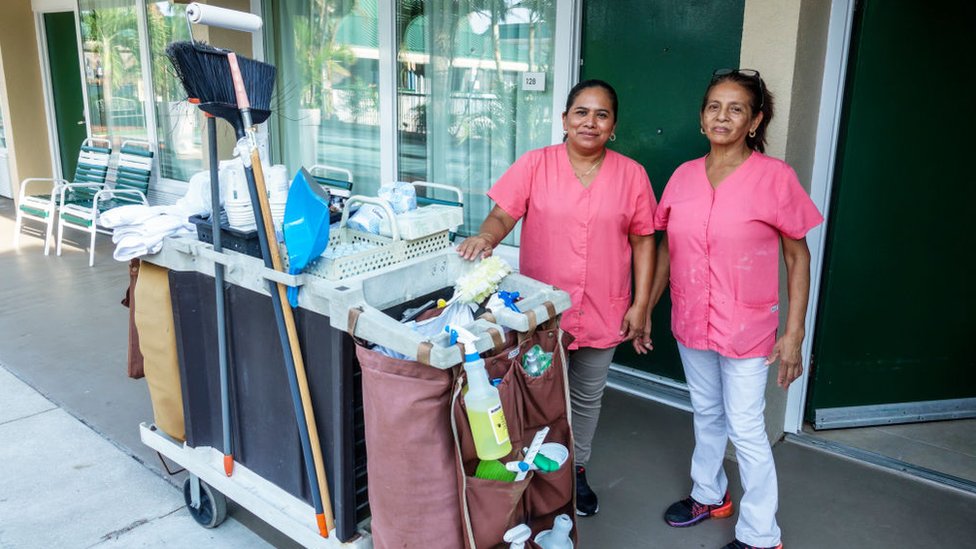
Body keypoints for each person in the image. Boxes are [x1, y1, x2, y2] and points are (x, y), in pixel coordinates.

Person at [457, 79, 657, 517]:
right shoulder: (536, 165)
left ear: (614, 126)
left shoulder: (632, 175)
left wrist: (641, 305)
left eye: (601, 115)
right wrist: (486, 238)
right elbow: (501, 214)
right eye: (581, 112)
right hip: (541, 315)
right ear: (564, 120)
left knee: (586, 398)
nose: (591, 122)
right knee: (536, 392)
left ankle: (576, 470)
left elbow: (645, 242)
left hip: (606, 309)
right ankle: (531, 470)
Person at [649, 69, 823, 549]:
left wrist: (794, 333)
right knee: (705, 412)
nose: (721, 116)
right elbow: (667, 248)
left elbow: (797, 256)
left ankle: (762, 534)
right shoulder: (683, 176)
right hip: (691, 319)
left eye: (736, 108)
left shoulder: (775, 178)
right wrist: (645, 307)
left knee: (746, 427)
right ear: (702, 118)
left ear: (754, 121)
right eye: (713, 107)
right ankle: (709, 494)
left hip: (748, 325)